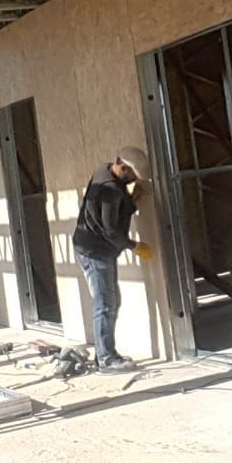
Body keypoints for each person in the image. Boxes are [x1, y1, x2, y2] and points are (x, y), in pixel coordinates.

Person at [73, 148, 153, 372]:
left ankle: (105, 354)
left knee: (111, 302)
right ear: (124, 168)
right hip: (95, 251)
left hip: (96, 248)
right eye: (134, 176)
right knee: (105, 305)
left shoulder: (105, 172)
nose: (134, 180)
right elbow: (110, 230)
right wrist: (134, 246)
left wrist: (130, 200)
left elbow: (107, 213)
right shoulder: (110, 189)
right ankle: (106, 359)